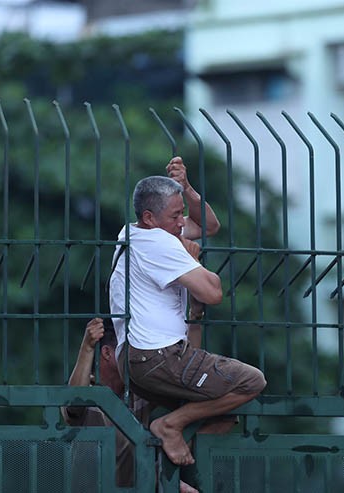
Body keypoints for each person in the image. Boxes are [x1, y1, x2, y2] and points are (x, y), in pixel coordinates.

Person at [109, 157, 267, 467]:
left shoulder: (136, 235)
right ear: (150, 217)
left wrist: (187, 189)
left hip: (135, 360)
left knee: (224, 416)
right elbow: (212, 292)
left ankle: (162, 477)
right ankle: (171, 426)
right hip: (159, 356)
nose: (182, 222)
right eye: (175, 215)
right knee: (251, 382)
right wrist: (190, 259)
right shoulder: (159, 243)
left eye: (182, 213)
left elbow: (209, 226)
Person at [62, 317, 199, 493]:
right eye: (129, 348)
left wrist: (194, 323)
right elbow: (74, 404)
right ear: (107, 353)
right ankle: (162, 478)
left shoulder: (138, 391)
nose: (137, 355)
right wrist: (87, 347)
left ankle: (164, 477)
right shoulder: (87, 389)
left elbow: (187, 381)